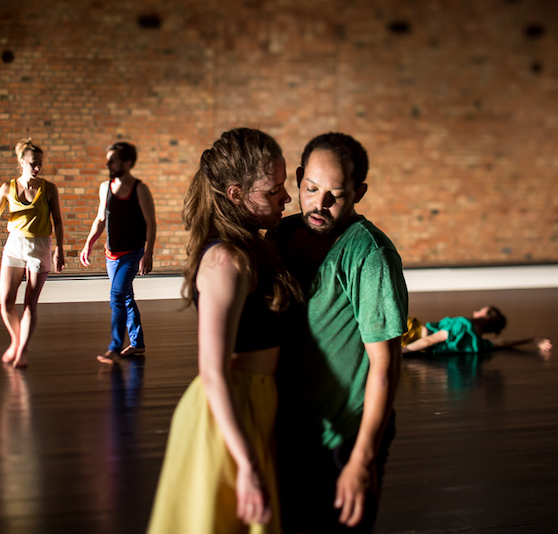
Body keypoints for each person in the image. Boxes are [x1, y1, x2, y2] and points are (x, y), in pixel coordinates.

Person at [147, 128, 302, 533]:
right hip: (228, 415)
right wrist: (247, 464)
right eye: (274, 190)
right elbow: (212, 372)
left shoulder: (256, 245)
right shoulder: (226, 261)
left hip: (258, 403)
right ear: (236, 194)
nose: (287, 197)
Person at [271, 132, 408, 532]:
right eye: (311, 189)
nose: (320, 204)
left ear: (359, 192)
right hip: (289, 430)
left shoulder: (370, 254)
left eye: (337, 194)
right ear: (298, 178)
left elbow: (385, 365)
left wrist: (362, 459)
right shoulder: (279, 235)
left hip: (345, 437)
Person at [0, 139, 65, 368]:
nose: (37, 167)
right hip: (14, 245)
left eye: (40, 164)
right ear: (22, 162)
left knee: (30, 304)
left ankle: (22, 351)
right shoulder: (7, 187)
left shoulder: (49, 188)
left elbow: (58, 221)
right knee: (6, 303)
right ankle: (15, 340)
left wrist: (60, 249)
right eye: (33, 163)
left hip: (39, 247)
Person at [79, 141, 156, 364]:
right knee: (126, 297)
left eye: (112, 160)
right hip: (111, 253)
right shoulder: (105, 187)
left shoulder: (140, 189)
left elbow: (151, 223)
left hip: (132, 253)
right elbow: (101, 219)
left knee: (116, 297)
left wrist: (148, 253)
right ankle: (138, 343)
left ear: (127, 162)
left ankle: (114, 348)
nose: (108, 164)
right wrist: (88, 244)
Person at [402, 305, 552, 354]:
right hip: (411, 335)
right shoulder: (477, 344)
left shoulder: (462, 324)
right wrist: (531, 339)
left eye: (480, 311)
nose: (475, 312)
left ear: (486, 319)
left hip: (409, 332)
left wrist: (401, 352)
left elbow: (429, 340)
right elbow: (503, 343)